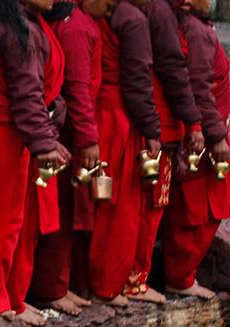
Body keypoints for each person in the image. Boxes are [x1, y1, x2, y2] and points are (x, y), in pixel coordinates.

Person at [0, 0, 68, 326]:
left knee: (4, 219)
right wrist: (44, 144)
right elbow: (26, 93)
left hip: (4, 128)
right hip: (4, 131)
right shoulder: (16, 29)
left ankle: (1, 295)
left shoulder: (9, 19)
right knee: (2, 219)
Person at [30, 0, 106, 317]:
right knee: (57, 212)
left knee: (67, 212)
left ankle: (58, 285)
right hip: (64, 134)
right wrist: (88, 138)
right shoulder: (73, 26)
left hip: (64, 130)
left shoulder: (74, 21)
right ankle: (49, 288)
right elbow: (78, 89)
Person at [128, 0, 202, 304]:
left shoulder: (158, 11)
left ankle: (135, 278)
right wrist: (194, 122)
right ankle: (135, 280)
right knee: (148, 207)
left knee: (148, 206)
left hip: (155, 123)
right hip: (159, 125)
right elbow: (172, 70)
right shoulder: (158, 11)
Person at [87, 0, 159, 306]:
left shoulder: (107, 15)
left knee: (97, 202)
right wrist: (152, 129)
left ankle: (91, 282)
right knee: (120, 206)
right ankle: (106, 285)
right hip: (118, 118)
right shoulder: (132, 18)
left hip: (100, 111)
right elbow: (138, 80)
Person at [161, 0, 228, 300]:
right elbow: (200, 88)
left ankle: (183, 275)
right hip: (202, 137)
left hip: (205, 130)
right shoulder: (197, 32)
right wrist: (215, 135)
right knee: (195, 209)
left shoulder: (199, 29)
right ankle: (180, 277)